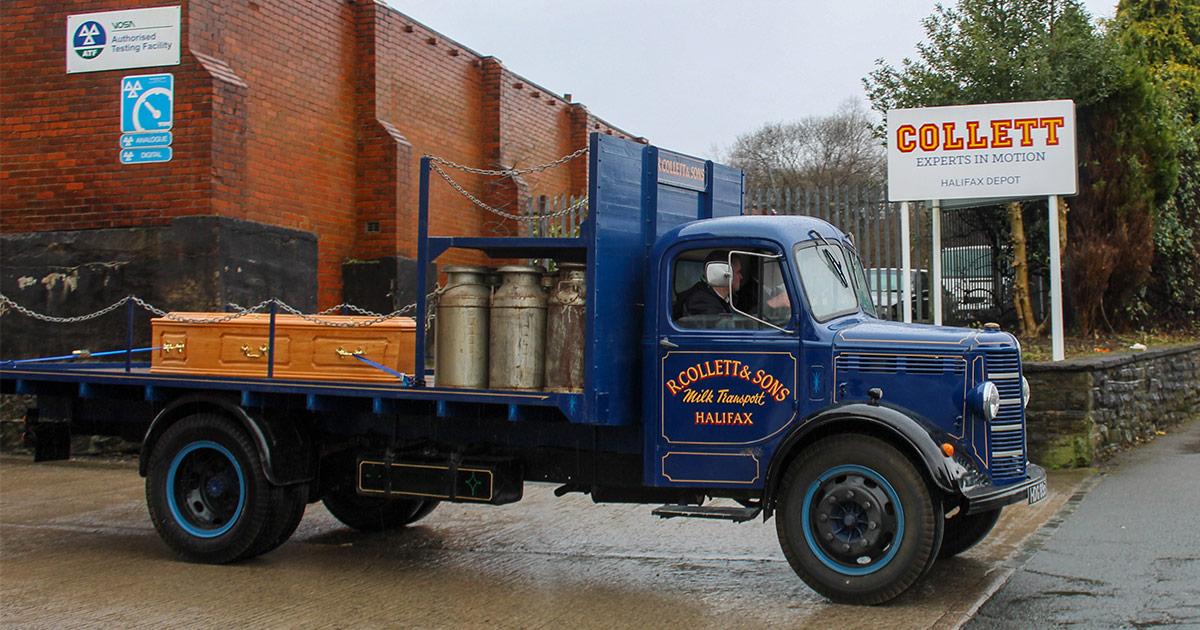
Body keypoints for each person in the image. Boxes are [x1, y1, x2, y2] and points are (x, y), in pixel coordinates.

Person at [674, 251, 742, 319]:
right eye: (738, 272)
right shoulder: (701, 302)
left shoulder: (723, 298)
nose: (741, 277)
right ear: (723, 274)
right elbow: (723, 327)